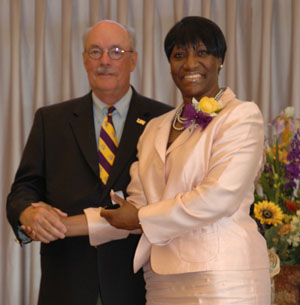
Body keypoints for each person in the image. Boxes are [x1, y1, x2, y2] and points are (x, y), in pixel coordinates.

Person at [99, 16, 271, 304]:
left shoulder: (241, 116)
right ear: (170, 65)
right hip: (162, 280)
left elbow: (219, 197)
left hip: (224, 277)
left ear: (220, 60)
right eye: (179, 55)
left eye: (202, 52)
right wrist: (65, 223)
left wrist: (140, 217)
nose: (190, 63)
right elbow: (139, 201)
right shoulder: (155, 126)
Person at [6, 20, 172, 305]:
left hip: (139, 286)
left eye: (116, 51)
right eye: (95, 52)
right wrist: (27, 215)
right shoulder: (51, 120)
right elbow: (23, 189)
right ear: (84, 61)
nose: (105, 61)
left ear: (133, 60)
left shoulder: (164, 120)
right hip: (66, 285)